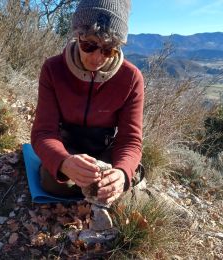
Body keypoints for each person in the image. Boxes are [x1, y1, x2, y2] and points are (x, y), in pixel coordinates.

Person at [31, 0, 144, 205]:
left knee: (116, 187)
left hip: (105, 147)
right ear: (77, 36)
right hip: (67, 143)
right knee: (53, 182)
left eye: (108, 49)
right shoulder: (53, 69)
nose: (97, 58)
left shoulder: (131, 77)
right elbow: (43, 132)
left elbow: (130, 140)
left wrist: (121, 173)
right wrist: (63, 162)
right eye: (89, 45)